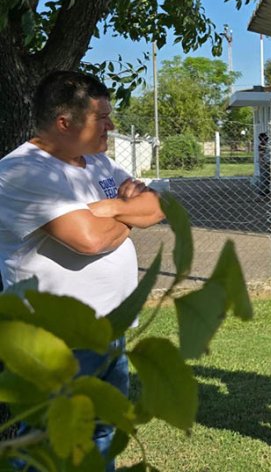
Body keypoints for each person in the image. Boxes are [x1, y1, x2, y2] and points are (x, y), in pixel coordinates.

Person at [0, 70, 165, 470]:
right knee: (44, 444)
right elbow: (89, 240)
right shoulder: (22, 171)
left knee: (102, 433)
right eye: (102, 118)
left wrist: (110, 210)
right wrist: (130, 215)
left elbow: (156, 206)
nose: (111, 126)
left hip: (109, 332)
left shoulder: (98, 163)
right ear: (64, 122)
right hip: (55, 343)